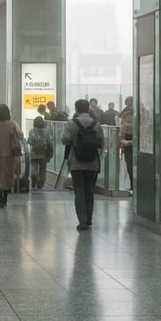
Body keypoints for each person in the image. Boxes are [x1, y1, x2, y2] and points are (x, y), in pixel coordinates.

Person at [62, 98, 103, 231]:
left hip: (76, 163)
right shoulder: (96, 124)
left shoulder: (71, 123)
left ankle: (82, 220)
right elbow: (101, 143)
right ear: (88, 109)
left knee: (79, 191)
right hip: (92, 163)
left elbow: (65, 140)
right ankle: (89, 218)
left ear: (76, 109)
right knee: (89, 191)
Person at [27, 114, 53, 190]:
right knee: (43, 173)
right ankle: (40, 186)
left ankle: (33, 182)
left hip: (34, 154)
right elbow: (50, 143)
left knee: (34, 170)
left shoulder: (31, 131)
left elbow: (30, 142)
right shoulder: (46, 131)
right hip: (43, 154)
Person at [118, 101, 135, 192]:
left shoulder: (136, 126)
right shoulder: (124, 126)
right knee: (130, 168)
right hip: (128, 150)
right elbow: (121, 139)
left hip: (130, 148)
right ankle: (132, 185)